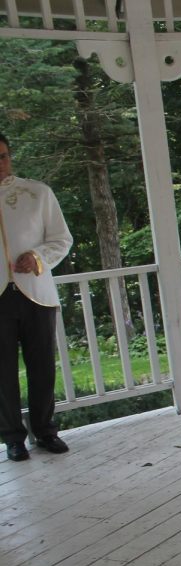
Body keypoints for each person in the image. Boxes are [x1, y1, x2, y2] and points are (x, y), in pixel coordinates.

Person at [0, 133, 73, 462]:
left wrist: (38, 257)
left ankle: (45, 431)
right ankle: (13, 438)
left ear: (10, 155)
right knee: (2, 372)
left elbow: (61, 239)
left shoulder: (37, 193)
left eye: (2, 156)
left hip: (37, 294)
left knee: (42, 365)